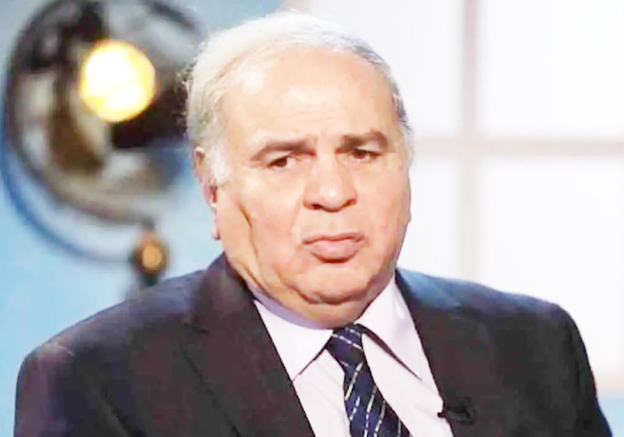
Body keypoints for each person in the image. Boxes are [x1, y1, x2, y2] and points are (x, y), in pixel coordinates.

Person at [14, 11, 611, 437]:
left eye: (362, 152)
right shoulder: (96, 381)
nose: (332, 192)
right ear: (213, 186)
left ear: (405, 166)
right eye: (284, 160)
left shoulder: (536, 345)